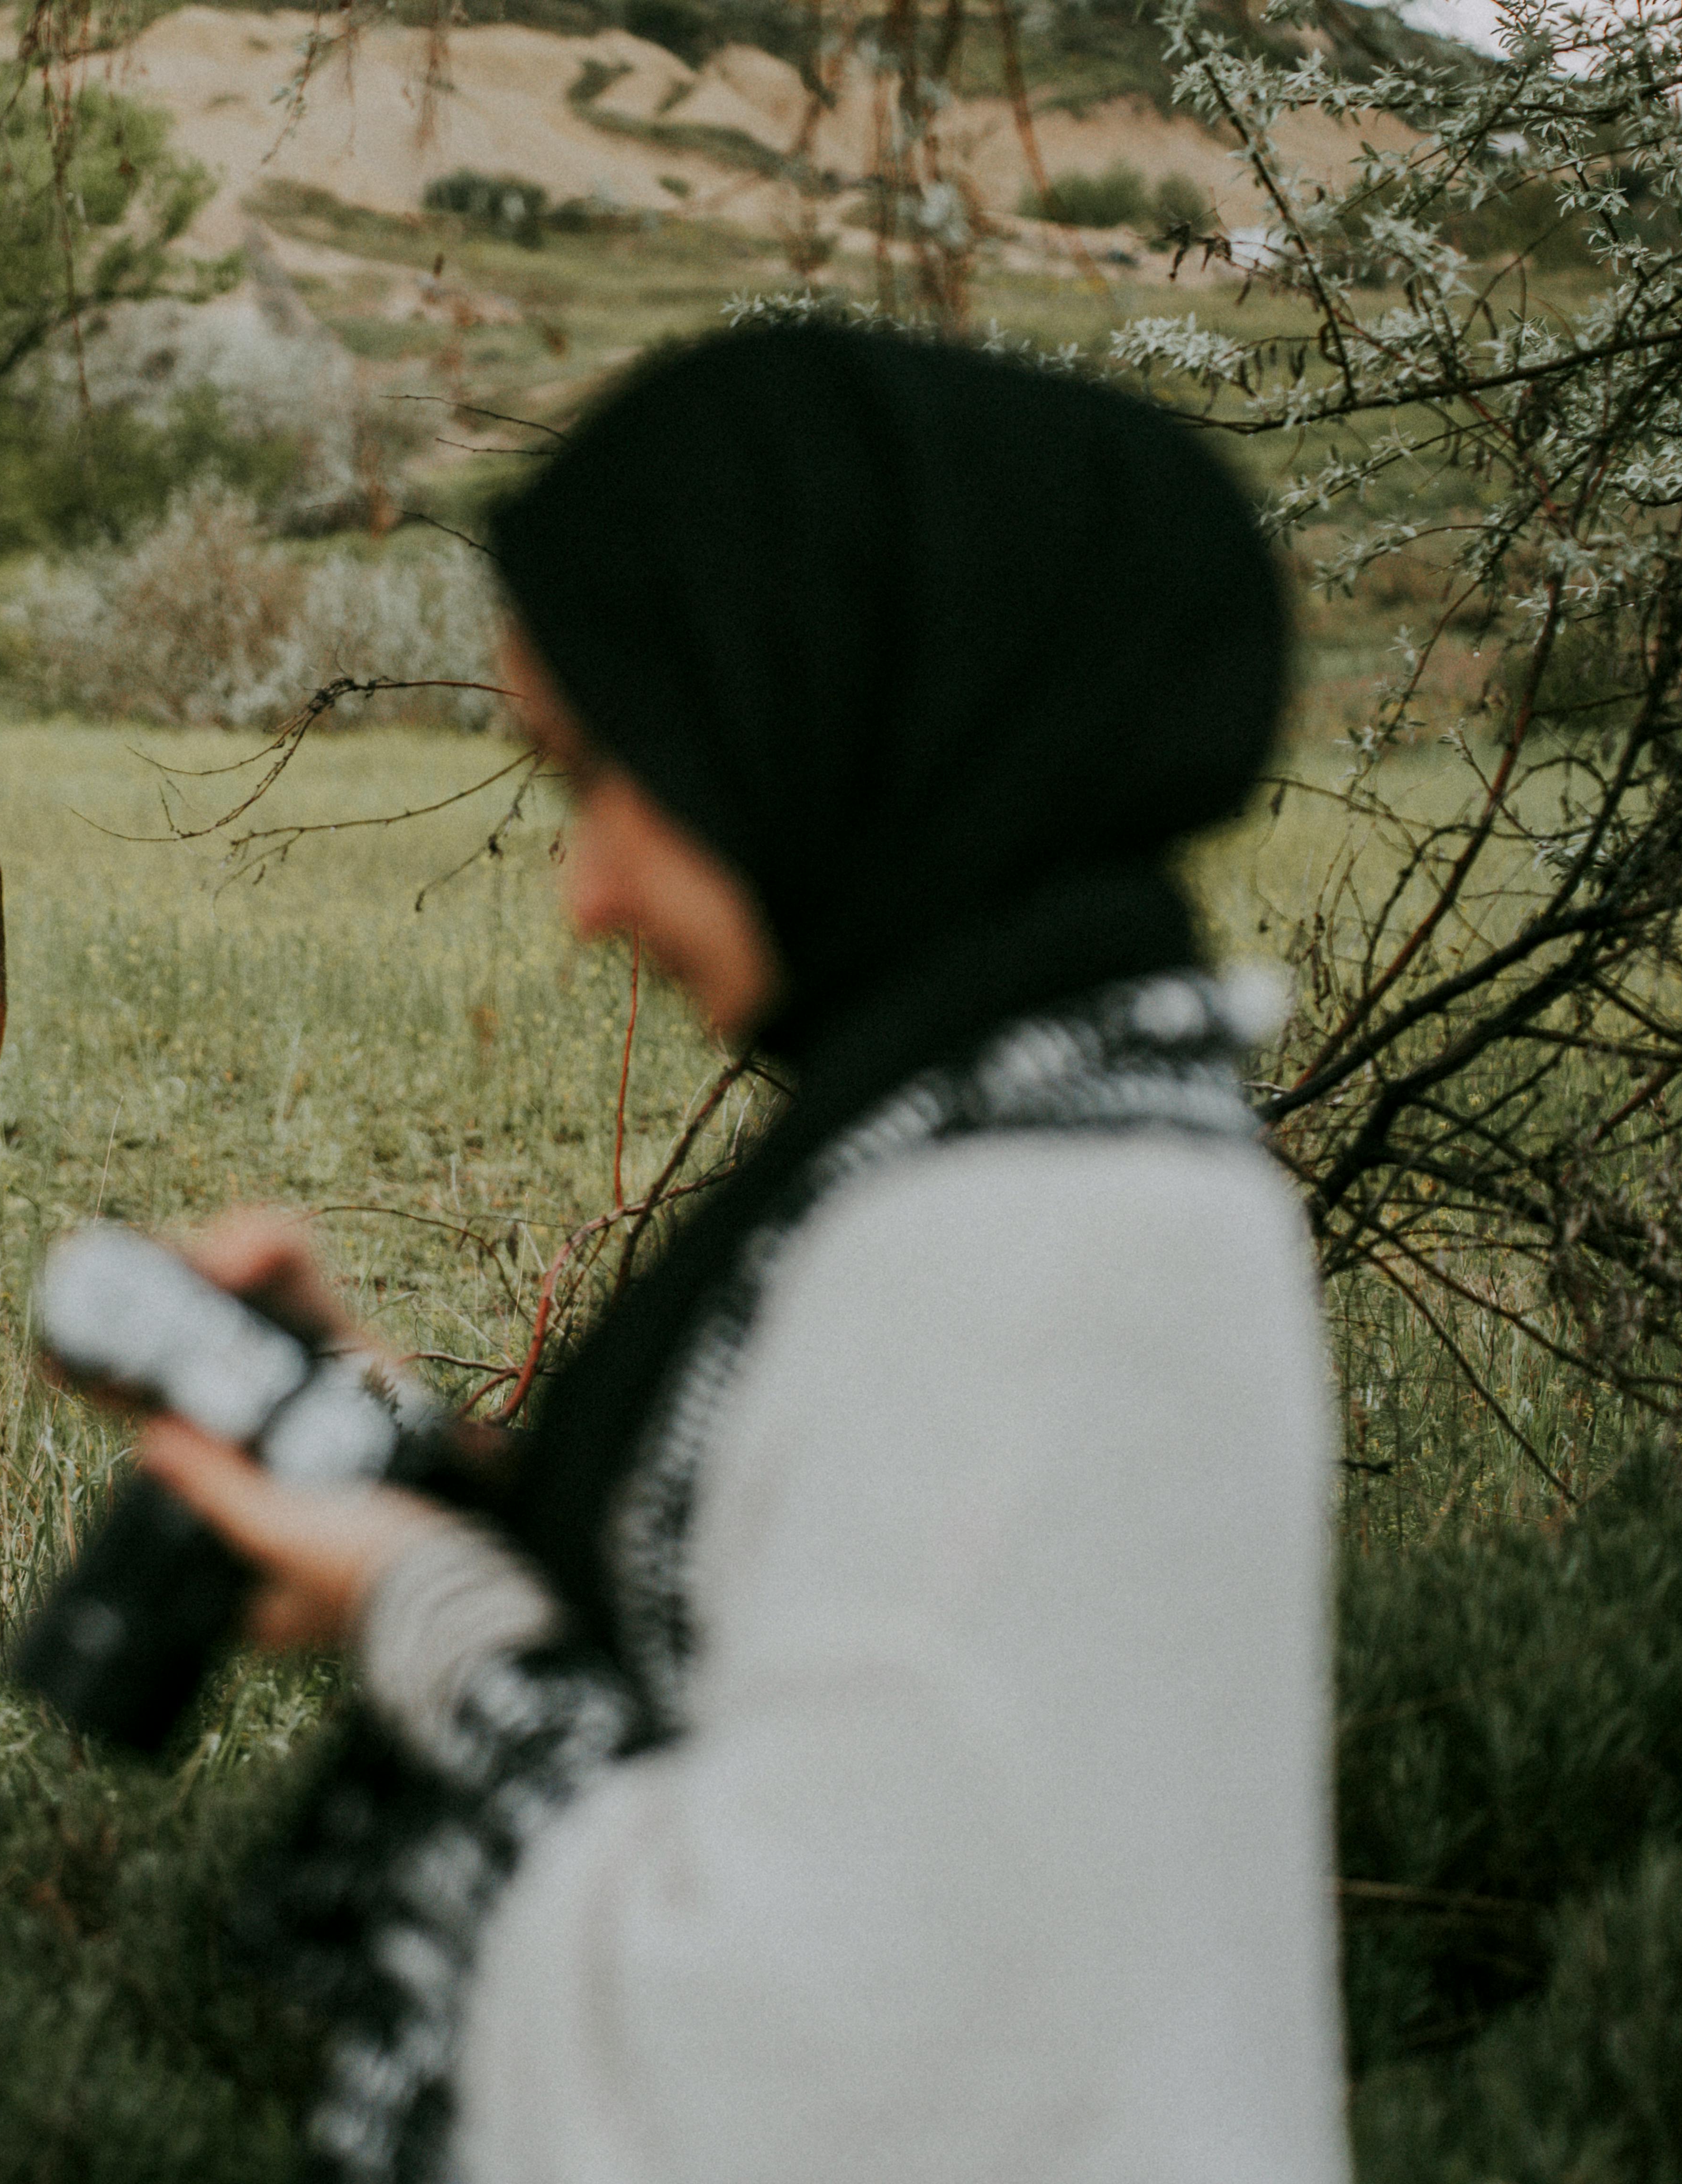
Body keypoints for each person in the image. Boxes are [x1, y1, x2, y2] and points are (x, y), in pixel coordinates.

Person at [135, 322, 1346, 2183]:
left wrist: (410, 1597)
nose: (583, 894)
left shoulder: (1025, 1249)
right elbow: (783, 1658)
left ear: (825, 711)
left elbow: (805, 2049)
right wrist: (425, 1471)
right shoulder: (1042, 1138)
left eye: (608, 774)